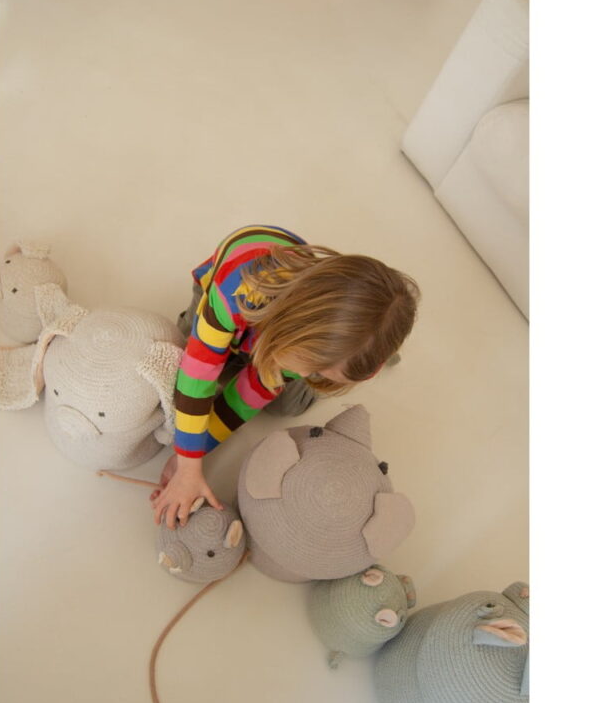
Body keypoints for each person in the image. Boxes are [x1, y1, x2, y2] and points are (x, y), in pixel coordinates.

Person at [151, 225, 420, 528]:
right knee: (182, 363)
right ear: (294, 326)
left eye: (316, 371)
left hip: (280, 330)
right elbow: (198, 375)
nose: (303, 373)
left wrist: (196, 452)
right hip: (228, 300)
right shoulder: (237, 292)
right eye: (310, 365)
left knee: (284, 404)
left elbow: (248, 395)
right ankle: (244, 347)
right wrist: (188, 463)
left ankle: (350, 359)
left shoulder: (313, 343)